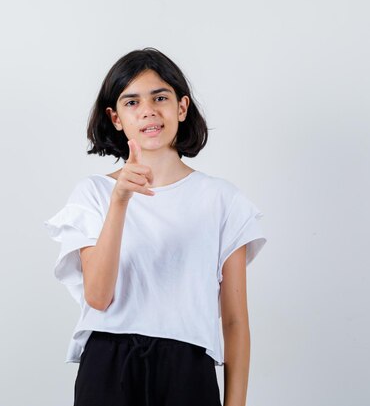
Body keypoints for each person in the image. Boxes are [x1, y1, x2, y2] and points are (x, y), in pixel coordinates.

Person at [43, 47, 267, 406]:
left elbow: (235, 322)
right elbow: (98, 297)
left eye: (159, 97)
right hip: (108, 365)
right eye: (131, 102)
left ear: (181, 107)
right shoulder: (94, 194)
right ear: (115, 118)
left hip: (188, 366)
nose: (147, 110)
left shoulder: (222, 199)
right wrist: (120, 201)